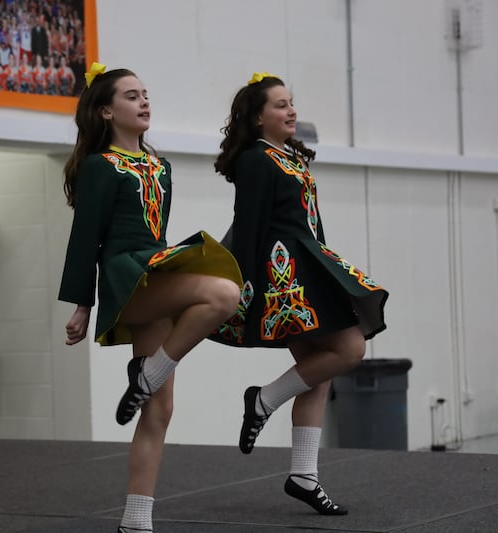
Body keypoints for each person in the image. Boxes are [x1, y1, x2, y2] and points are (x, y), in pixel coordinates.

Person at [58, 62, 242, 533]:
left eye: (145, 94)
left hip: (157, 268)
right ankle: (150, 371)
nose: (144, 102)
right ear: (105, 111)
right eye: (131, 96)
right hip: (127, 277)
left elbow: (155, 232)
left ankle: (135, 521)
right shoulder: (101, 166)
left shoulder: (161, 167)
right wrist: (82, 304)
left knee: (159, 409)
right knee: (224, 293)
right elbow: (86, 237)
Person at [210, 72, 388, 516]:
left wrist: (327, 268)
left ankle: (304, 475)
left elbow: (310, 223)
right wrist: (242, 285)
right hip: (284, 274)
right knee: (350, 348)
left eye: (291, 103)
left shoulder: (287, 156)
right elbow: (248, 228)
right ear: (258, 117)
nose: (291, 111)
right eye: (280, 105)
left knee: (318, 371)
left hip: (309, 266)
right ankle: (264, 399)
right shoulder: (256, 159)